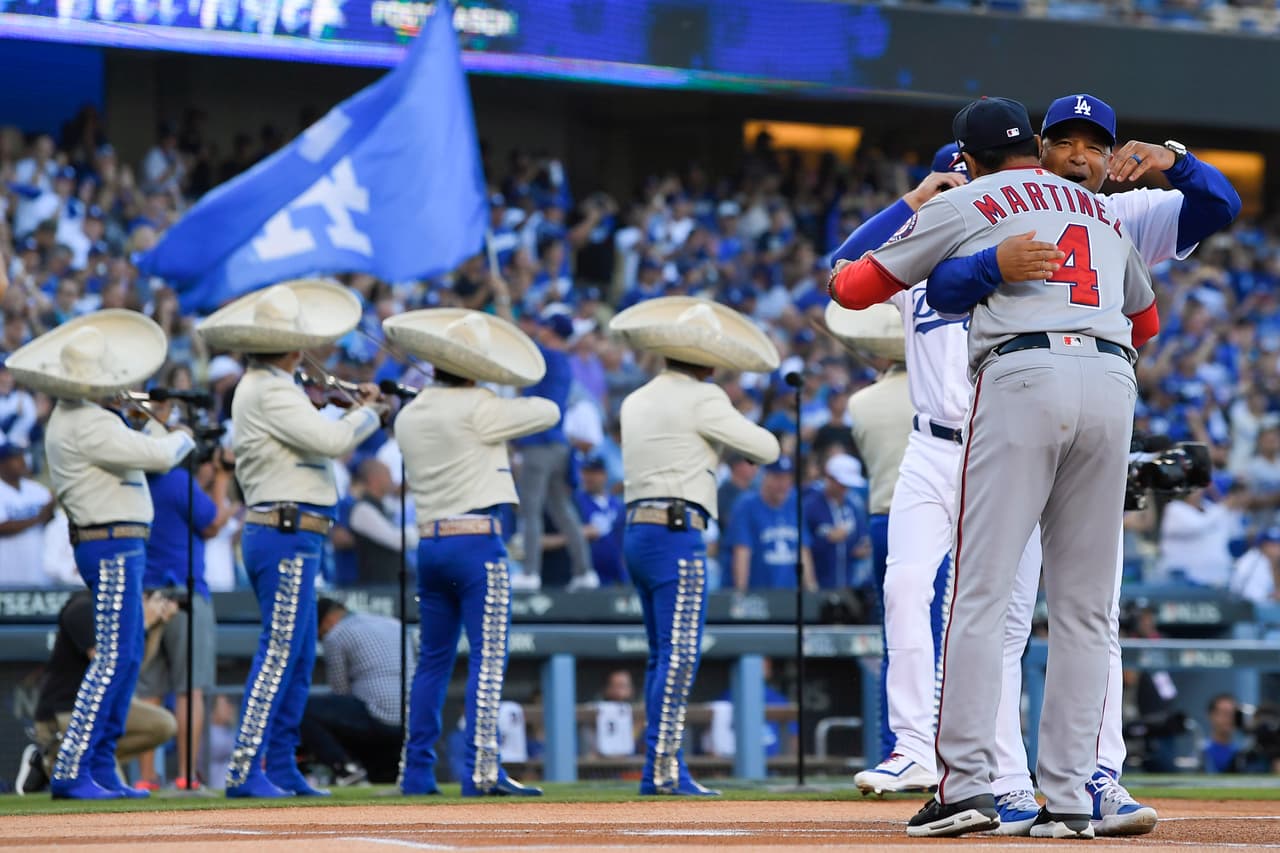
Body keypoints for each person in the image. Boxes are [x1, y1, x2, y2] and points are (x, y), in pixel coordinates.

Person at [831, 92, 1239, 837]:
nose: (1081, 153)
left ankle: (964, 785)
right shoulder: (1105, 214)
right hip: (1110, 384)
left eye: (1095, 142)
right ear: (1040, 145)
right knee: (1085, 610)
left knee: (978, 598)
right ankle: (1074, 795)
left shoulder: (974, 199)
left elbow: (848, 283)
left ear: (968, 160)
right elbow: (1145, 321)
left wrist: (978, 259)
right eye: (1066, 140)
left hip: (1016, 393)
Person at [196, 280, 385, 799]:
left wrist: (347, 406)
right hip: (284, 531)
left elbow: (313, 432)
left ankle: (278, 764)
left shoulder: (269, 386)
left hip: (292, 532)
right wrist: (368, 410)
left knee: (299, 657)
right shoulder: (272, 388)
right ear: (293, 345)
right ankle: (246, 767)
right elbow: (332, 440)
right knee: (281, 652)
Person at [8, 310, 196, 799]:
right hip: (109, 543)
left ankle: (101, 766)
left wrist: (146, 421)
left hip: (119, 542)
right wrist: (179, 433)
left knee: (127, 657)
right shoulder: (87, 422)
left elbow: (139, 448)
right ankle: (72, 768)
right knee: (113, 660)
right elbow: (158, 456)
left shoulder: (89, 417)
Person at [610, 295, 781, 795]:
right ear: (709, 359)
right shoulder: (705, 399)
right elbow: (766, 448)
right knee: (679, 654)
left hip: (638, 531)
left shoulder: (637, 397)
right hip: (676, 531)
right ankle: (663, 770)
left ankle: (657, 767)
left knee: (660, 654)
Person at [384, 306, 555, 797]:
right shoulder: (480, 406)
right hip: (477, 543)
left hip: (430, 545)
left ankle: (415, 771)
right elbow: (548, 411)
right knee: (488, 658)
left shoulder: (411, 412)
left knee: (432, 662)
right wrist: (493, 388)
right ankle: (481, 769)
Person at [133, 397, 237, 792]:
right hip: (187, 596)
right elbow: (212, 523)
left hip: (147, 597)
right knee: (189, 689)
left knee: (149, 691)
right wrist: (224, 479)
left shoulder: (141, 479)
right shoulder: (180, 481)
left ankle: (145, 778)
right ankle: (186, 775)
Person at [828, 301, 914, 768]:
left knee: (894, 637)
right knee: (939, 634)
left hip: (883, 518)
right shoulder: (941, 390)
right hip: (932, 519)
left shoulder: (862, 402)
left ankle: (893, 746)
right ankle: (934, 749)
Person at [19, 590, 180, 795]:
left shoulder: (120, 609)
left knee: (164, 724)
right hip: (69, 710)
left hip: (102, 708)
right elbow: (107, 665)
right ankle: (54, 762)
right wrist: (144, 624)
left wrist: (156, 625)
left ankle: (67, 763)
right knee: (109, 794)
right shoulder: (83, 607)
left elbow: (134, 669)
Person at [513, 311, 597, 591]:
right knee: (563, 510)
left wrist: (503, 302)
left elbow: (517, 344)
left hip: (539, 443)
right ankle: (585, 572)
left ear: (551, 331)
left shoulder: (548, 355)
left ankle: (530, 572)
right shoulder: (563, 360)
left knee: (531, 510)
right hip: (558, 442)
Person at [300, 598, 411, 785]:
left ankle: (345, 769)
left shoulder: (336, 634)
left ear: (326, 621)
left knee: (303, 709)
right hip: (410, 719)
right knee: (381, 779)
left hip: (376, 717)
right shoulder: (395, 624)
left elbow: (340, 690)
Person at [726, 457, 817, 592]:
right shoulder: (746, 505)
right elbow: (742, 550)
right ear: (764, 477)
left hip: (790, 593)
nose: (783, 484)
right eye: (777, 478)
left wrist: (811, 588)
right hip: (758, 593)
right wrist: (741, 593)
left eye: (787, 478)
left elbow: (803, 549)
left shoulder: (794, 502)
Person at [803, 453, 869, 591]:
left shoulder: (853, 505)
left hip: (849, 584)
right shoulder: (810, 505)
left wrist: (862, 548)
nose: (845, 489)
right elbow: (803, 546)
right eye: (842, 484)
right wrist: (827, 539)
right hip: (820, 584)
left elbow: (862, 538)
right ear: (829, 478)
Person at [348, 458, 417, 585]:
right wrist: (424, 532)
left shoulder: (384, 506)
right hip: (377, 590)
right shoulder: (362, 510)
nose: (392, 481)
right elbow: (397, 540)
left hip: (392, 587)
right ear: (375, 479)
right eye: (388, 475)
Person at [0, 437, 55, 587]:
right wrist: (38, 519)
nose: (22, 461)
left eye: (22, 456)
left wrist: (51, 512)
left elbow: (52, 522)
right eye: (15, 458)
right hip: (6, 574)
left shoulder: (37, 490)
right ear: (2, 464)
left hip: (39, 571)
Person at [575, 454, 627, 586]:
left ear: (604, 475)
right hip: (591, 572)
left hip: (619, 572)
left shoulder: (617, 504)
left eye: (594, 473)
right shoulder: (576, 501)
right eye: (586, 473)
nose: (589, 477)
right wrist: (581, 532)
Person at [1229, 525, 1280, 605]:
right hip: (1247, 609)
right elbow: (1250, 595)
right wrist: (1271, 597)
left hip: (1268, 608)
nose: (1277, 549)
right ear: (1262, 546)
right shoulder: (1250, 562)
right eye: (1273, 545)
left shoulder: (1274, 560)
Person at [1203, 694, 1246, 773]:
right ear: (1211, 716)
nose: (1230, 719)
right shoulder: (1202, 752)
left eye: (1233, 714)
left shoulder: (1242, 752)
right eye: (1225, 713)